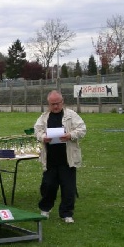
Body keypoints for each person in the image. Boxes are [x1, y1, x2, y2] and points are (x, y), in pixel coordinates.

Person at [34, 90, 86, 223]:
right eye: (52, 104)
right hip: (50, 159)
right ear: (48, 104)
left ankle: (66, 213)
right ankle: (45, 209)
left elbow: (82, 129)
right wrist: (43, 137)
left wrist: (69, 135)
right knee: (48, 186)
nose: (55, 106)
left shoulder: (71, 115)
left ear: (62, 102)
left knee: (68, 187)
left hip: (67, 159)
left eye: (57, 103)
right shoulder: (44, 117)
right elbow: (37, 130)